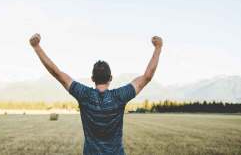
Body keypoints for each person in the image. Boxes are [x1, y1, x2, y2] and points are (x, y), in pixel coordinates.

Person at [29, 33, 163, 155]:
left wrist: (36, 47)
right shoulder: (119, 96)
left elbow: (57, 73)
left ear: (92, 78)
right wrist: (158, 48)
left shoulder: (84, 95)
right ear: (110, 78)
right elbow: (147, 77)